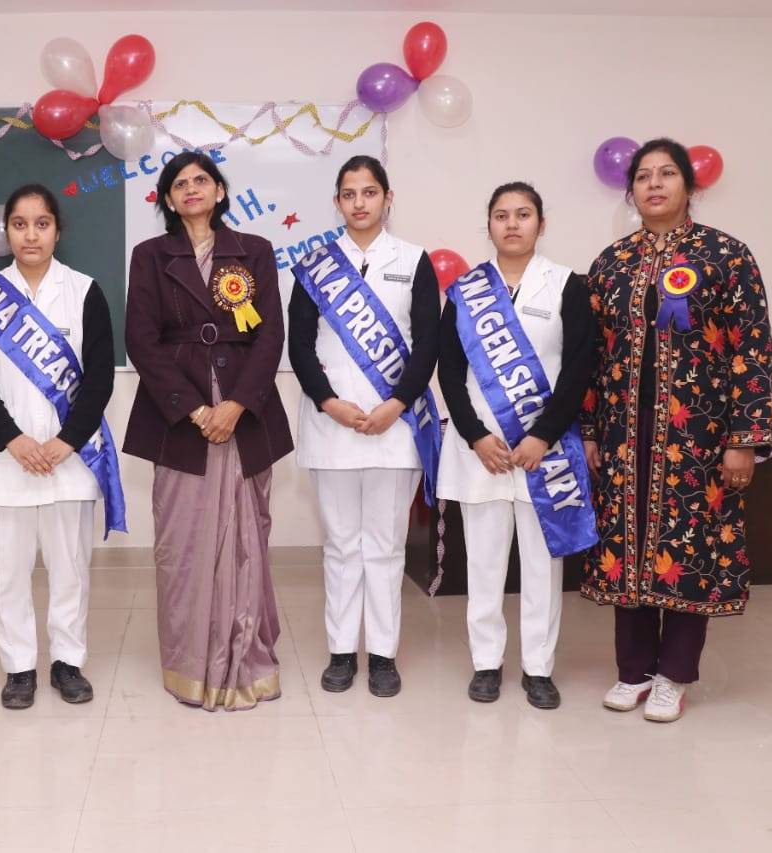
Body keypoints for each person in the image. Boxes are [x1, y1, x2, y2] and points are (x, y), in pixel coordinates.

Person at [580, 138, 772, 722]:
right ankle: (633, 671)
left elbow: (752, 350)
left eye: (667, 174)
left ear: (689, 185)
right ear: (631, 191)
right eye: (643, 176)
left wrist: (743, 439)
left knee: (689, 547)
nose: (655, 184)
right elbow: (591, 354)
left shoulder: (726, 256)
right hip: (623, 435)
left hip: (698, 438)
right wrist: (589, 429)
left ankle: (674, 675)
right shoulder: (611, 263)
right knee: (628, 545)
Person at [123, 151, 293, 711]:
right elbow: (141, 340)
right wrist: (196, 411)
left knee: (247, 541)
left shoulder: (255, 251)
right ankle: (190, 665)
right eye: (180, 183)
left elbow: (270, 336)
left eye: (201, 180)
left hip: (246, 415)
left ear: (220, 191)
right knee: (183, 545)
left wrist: (237, 404)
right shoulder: (150, 256)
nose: (191, 188)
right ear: (169, 200)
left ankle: (246, 661)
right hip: (179, 419)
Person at [0, 183, 122, 709]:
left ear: (57, 230)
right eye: (20, 224)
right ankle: (19, 668)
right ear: (6, 232)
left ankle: (68, 662)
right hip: (7, 459)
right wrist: (13, 440)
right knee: (7, 571)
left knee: (70, 568)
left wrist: (66, 441)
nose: (31, 235)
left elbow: (99, 379)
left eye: (42, 223)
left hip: (68, 460)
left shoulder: (84, 291)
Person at [438, 182, 597, 710]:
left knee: (542, 567)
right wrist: (475, 435)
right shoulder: (466, 291)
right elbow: (450, 372)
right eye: (501, 215)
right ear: (488, 225)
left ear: (541, 225)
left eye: (523, 214)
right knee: (483, 564)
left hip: (544, 453)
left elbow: (578, 369)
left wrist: (542, 435)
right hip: (481, 451)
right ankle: (486, 663)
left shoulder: (566, 285)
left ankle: (538, 669)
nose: (512, 224)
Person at [288, 155, 441, 697]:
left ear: (387, 198)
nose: (360, 203)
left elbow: (428, 342)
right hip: (332, 426)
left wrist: (397, 403)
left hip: (395, 427)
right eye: (349, 194)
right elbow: (299, 344)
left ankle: (382, 654)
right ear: (337, 202)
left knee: (385, 545)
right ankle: (340, 652)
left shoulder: (414, 260)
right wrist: (328, 402)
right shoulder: (314, 265)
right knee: (340, 545)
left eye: (369, 192)